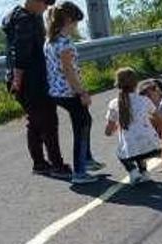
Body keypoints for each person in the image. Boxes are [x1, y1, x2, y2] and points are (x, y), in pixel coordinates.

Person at [2, 0, 72, 179]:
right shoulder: (25, 20)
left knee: (35, 122)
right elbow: (20, 52)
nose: (48, 6)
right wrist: (18, 79)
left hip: (25, 79)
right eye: (46, 2)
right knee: (48, 122)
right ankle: (57, 165)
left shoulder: (17, 15)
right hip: (31, 80)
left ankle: (40, 163)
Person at [44, 1, 105, 185]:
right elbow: (69, 71)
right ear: (68, 20)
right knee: (82, 127)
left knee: (84, 121)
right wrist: (82, 93)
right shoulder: (65, 43)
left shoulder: (50, 40)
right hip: (69, 92)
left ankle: (86, 160)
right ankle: (80, 171)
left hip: (56, 91)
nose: (76, 27)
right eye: (75, 23)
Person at [104, 68, 162, 186]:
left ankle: (133, 172)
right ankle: (144, 173)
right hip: (151, 144)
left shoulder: (114, 103)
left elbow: (109, 130)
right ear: (136, 83)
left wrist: (111, 130)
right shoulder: (144, 100)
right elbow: (159, 118)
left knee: (121, 151)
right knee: (139, 146)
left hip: (132, 148)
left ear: (118, 84)